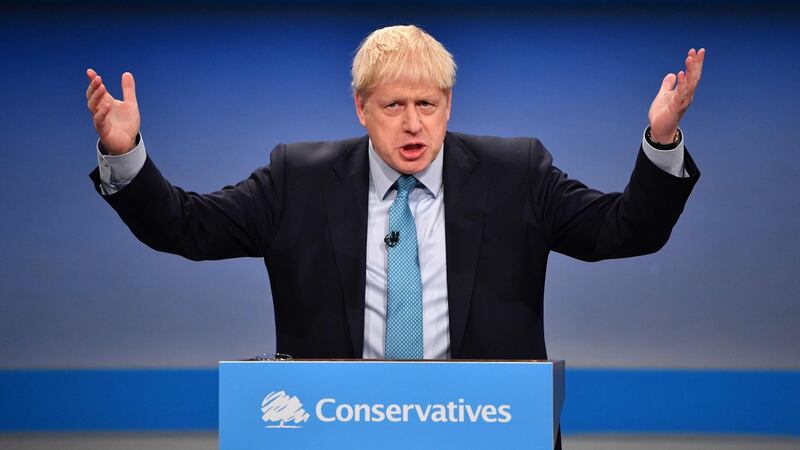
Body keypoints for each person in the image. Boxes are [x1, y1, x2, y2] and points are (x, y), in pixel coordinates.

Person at [86, 25, 703, 361]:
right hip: (340, 432)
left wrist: (662, 137)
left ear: (449, 105)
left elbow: (628, 230)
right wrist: (126, 153)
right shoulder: (295, 179)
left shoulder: (518, 173)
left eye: (427, 106)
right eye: (394, 106)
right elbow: (185, 227)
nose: (413, 124)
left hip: (483, 431)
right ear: (361, 107)